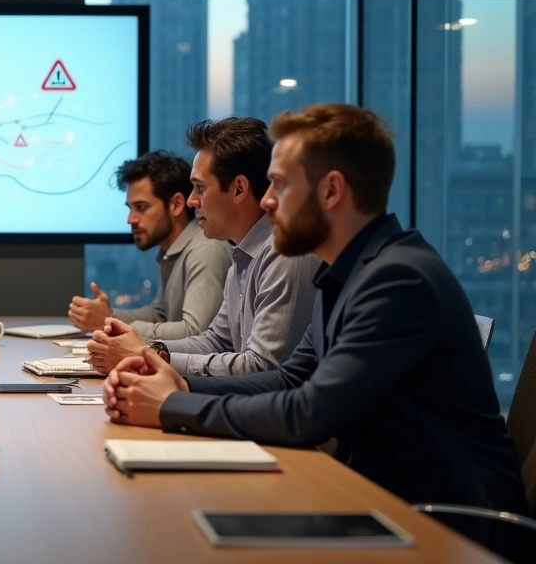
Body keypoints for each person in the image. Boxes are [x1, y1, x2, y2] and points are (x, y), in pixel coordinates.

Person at [101, 103, 527, 519]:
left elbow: (308, 413)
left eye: (280, 185)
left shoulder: (399, 279)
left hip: (450, 523)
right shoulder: (342, 271)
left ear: (331, 191)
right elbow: (290, 377)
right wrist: (180, 385)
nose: (266, 202)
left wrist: (173, 403)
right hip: (383, 496)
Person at [86, 118, 321, 376]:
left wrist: (147, 356)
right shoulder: (243, 256)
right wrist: (153, 351)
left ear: (239, 189)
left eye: (199, 188)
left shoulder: (284, 251)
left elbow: (263, 368)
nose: (191, 201)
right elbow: (215, 341)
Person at [68, 150, 231, 341]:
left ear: (176, 205)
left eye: (142, 207)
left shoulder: (206, 250)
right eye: (130, 208)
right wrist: (109, 315)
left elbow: (196, 332)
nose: (131, 220)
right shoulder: (175, 251)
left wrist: (109, 321)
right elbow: (159, 314)